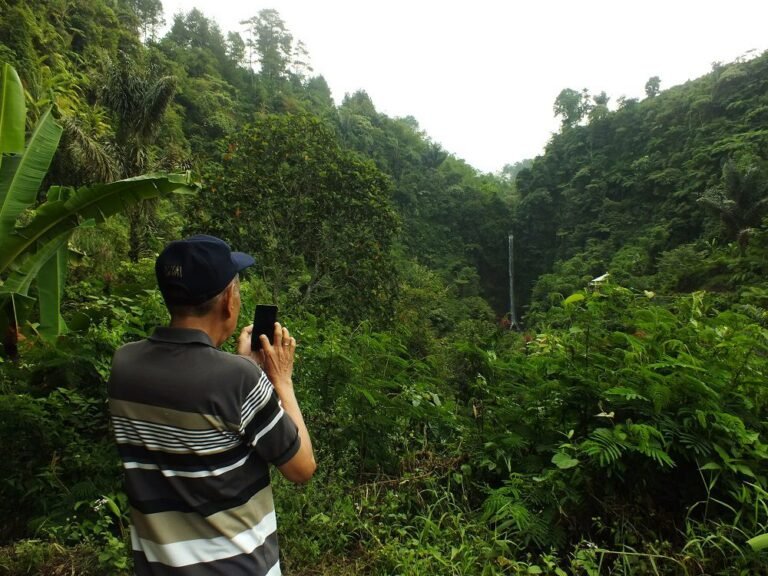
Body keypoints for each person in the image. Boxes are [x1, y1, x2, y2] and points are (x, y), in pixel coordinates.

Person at [108, 234, 316, 575]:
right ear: (228, 302)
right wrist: (281, 379)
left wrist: (242, 365)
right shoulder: (238, 380)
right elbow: (301, 468)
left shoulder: (124, 364)